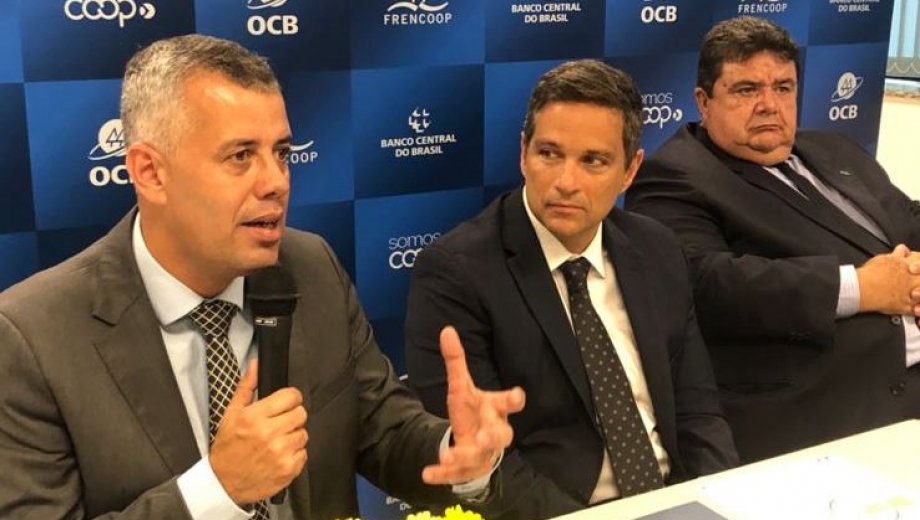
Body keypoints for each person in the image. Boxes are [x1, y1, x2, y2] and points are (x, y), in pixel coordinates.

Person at [0, 34, 525, 520]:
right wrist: (219, 489)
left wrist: (459, 450)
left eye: (282, 153)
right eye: (240, 156)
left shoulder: (311, 267)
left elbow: (384, 433)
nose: (275, 182)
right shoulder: (32, 337)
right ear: (149, 172)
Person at [404, 59, 738, 520]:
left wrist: (716, 500)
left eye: (593, 161)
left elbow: (699, 413)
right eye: (549, 154)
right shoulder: (456, 272)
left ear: (630, 171)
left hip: (671, 502)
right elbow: (487, 462)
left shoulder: (656, 248)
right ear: (523, 153)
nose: (566, 182)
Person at [625, 16, 920, 463]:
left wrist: (911, 279)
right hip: (828, 408)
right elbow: (708, 283)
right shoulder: (676, 176)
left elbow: (907, 217)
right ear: (704, 101)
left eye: (783, 88)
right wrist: (861, 288)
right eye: (746, 90)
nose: (769, 105)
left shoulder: (835, 149)